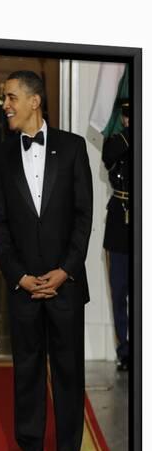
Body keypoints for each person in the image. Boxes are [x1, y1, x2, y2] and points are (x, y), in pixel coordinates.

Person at [0, 70, 93, 451]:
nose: (5, 104)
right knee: (27, 380)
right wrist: (20, 276)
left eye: (11, 96)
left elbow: (83, 216)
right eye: (4, 98)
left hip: (66, 287)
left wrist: (65, 270)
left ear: (34, 101)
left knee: (69, 379)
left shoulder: (73, 148)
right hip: (24, 290)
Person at [101, 100, 129, 372]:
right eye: (127, 116)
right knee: (119, 290)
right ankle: (125, 351)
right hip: (120, 222)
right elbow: (108, 155)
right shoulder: (118, 141)